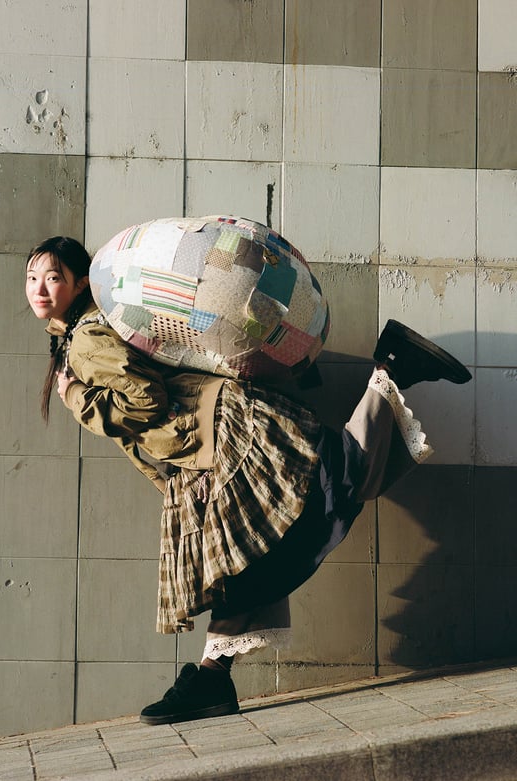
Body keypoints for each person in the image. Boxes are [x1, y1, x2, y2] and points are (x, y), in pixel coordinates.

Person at [25, 235, 472, 726]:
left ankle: (392, 366)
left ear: (80, 283)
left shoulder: (86, 339)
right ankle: (213, 678)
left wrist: (76, 397)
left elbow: (146, 401)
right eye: (32, 278)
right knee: (262, 552)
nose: (40, 289)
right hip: (211, 443)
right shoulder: (92, 329)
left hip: (225, 434)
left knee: (327, 493)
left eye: (53, 277)